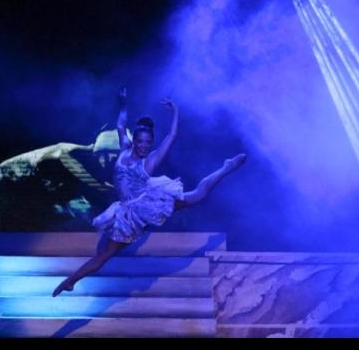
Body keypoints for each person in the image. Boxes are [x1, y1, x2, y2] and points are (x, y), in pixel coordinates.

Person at [52, 98, 246, 296]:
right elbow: (121, 124)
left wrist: (176, 111)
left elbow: (172, 136)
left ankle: (226, 168)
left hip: (146, 206)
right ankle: (70, 281)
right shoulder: (124, 148)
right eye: (141, 141)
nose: (144, 146)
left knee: (196, 195)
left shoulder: (151, 160)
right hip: (126, 209)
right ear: (133, 141)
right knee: (104, 254)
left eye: (148, 142)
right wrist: (123, 104)